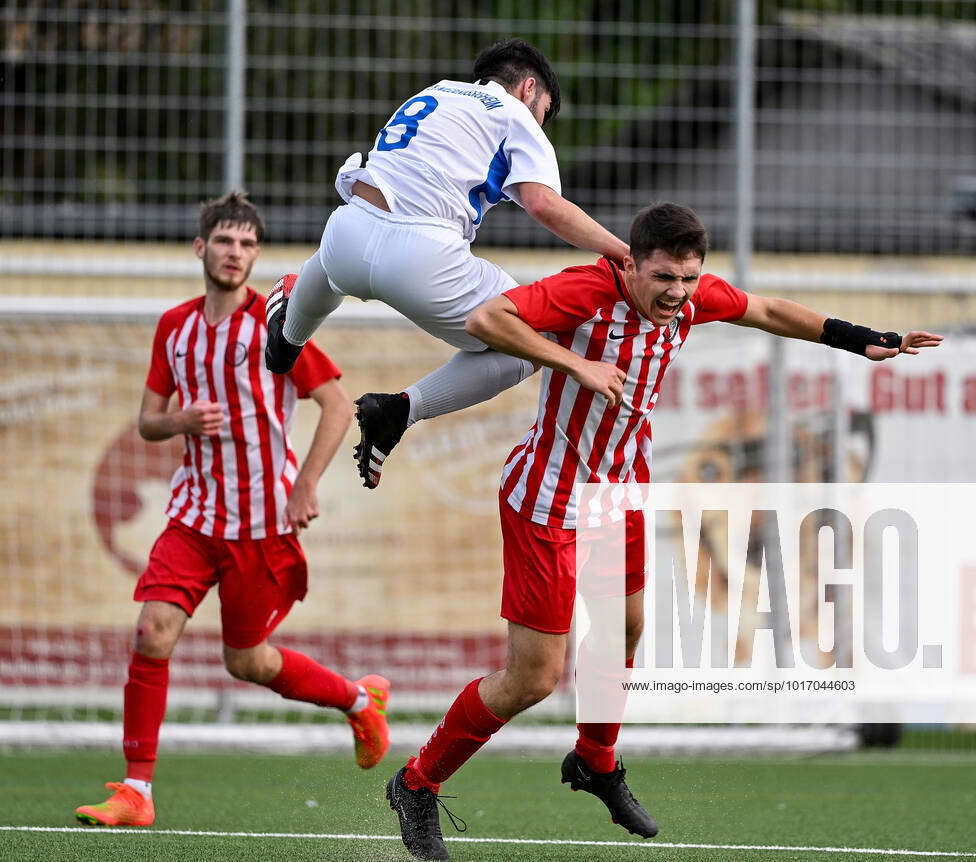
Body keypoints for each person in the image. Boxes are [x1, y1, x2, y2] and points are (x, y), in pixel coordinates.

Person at [383, 202, 943, 860]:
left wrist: (859, 337)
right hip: (548, 502)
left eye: (687, 279)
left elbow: (765, 311)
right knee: (533, 680)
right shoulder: (586, 288)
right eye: (663, 279)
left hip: (617, 493)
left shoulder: (693, 296)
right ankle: (416, 783)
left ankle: (595, 761)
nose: (678, 294)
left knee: (626, 628)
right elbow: (487, 319)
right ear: (630, 265)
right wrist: (575, 363)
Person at [75, 192, 390, 829]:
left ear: (256, 253)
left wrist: (305, 485)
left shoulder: (280, 324)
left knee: (247, 661)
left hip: (263, 525)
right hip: (193, 518)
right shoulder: (176, 327)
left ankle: (359, 700)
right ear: (201, 247)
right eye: (224, 240)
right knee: (152, 633)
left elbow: (337, 405)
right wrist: (178, 421)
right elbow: (146, 422)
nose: (235, 252)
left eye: (247, 243)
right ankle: (137, 792)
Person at [263, 37, 630, 489]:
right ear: (528, 88)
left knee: (349, 239)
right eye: (544, 112)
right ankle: (400, 410)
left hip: (344, 236)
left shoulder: (435, 91)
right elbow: (543, 205)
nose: (542, 126)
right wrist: (624, 253)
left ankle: (288, 333)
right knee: (532, 337)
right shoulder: (515, 114)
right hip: (422, 260)